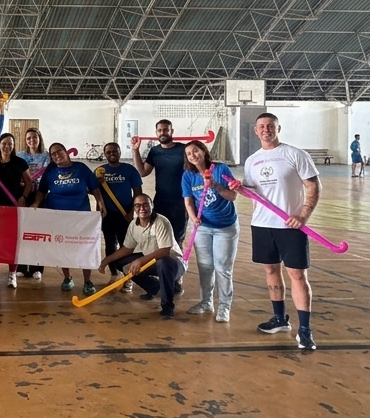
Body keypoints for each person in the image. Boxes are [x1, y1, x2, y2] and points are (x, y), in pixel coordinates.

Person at [229, 113, 321, 350]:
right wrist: (240, 188)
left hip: (290, 226)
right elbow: (253, 192)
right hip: (262, 224)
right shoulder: (252, 160)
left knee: (297, 275)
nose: (266, 129)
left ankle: (305, 330)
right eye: (261, 126)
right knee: (271, 270)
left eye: (270, 126)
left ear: (278, 128)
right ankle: (280, 319)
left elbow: (313, 186)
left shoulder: (295, 154)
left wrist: (303, 216)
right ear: (256, 131)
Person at [32, 142, 106, 296]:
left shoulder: (81, 168)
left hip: (81, 216)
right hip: (58, 216)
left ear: (66, 152)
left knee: (84, 247)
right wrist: (36, 204)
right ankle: (67, 278)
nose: (57, 155)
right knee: (63, 247)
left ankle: (87, 280)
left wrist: (100, 203)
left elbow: (94, 187)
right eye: (53, 154)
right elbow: (42, 190)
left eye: (59, 151)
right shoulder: (50, 171)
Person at [98, 194, 187, 319]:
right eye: (137, 206)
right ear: (134, 208)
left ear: (152, 206)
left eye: (145, 205)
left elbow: (165, 251)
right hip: (152, 261)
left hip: (173, 263)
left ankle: (168, 307)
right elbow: (127, 249)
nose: (142, 208)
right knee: (121, 262)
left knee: (163, 263)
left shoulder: (161, 222)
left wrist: (140, 260)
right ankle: (153, 287)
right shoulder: (134, 225)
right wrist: (106, 261)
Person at [181, 140, 239, 323]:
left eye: (195, 151)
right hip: (203, 228)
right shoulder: (188, 176)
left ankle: (224, 306)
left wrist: (215, 185)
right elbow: (188, 201)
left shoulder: (221, 170)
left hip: (225, 228)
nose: (193, 155)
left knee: (223, 268)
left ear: (204, 151)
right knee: (205, 267)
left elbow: (233, 196)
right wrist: (193, 218)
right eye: (189, 153)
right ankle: (206, 302)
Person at [131, 119, 188, 295]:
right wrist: (135, 150)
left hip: (180, 203)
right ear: (156, 133)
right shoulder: (154, 151)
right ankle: (161, 275)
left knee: (176, 241)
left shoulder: (183, 150)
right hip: (161, 202)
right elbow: (142, 171)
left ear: (172, 131)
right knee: (159, 240)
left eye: (166, 130)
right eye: (160, 130)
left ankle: (176, 279)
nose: (163, 133)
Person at [0, 133, 32, 289]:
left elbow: (29, 183)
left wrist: (23, 197)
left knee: (12, 242)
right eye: (4, 143)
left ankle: (12, 274)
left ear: (14, 146)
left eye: (10, 143)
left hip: (14, 208)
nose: (7, 146)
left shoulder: (20, 162)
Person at [96, 142, 143, 292]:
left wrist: (132, 212)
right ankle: (115, 274)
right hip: (107, 216)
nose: (112, 154)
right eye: (108, 152)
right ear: (105, 154)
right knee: (110, 245)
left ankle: (128, 277)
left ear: (120, 152)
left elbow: (138, 193)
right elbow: (92, 190)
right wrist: (96, 184)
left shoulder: (129, 170)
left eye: (114, 151)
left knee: (126, 246)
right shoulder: (99, 171)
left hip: (125, 215)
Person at [15, 127, 49, 280]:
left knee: (38, 232)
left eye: (35, 137)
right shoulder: (20, 155)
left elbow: (47, 175)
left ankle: (37, 267)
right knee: (23, 232)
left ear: (39, 138)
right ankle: (21, 266)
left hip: (40, 195)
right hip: (24, 194)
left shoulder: (46, 156)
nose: (32, 140)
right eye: (29, 138)